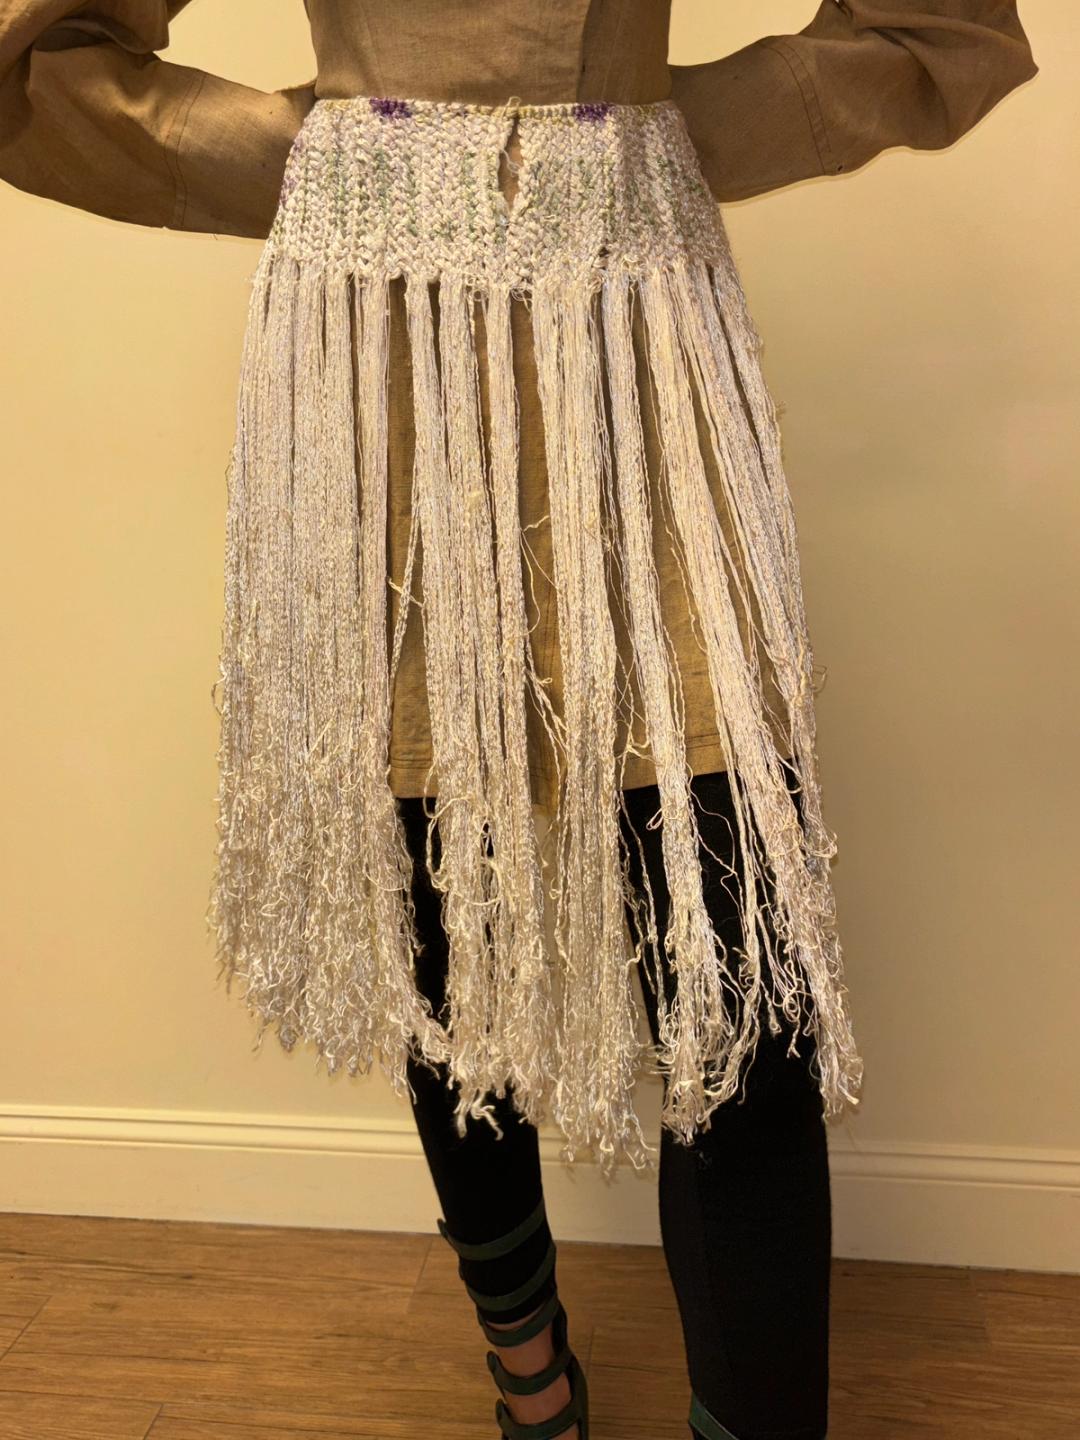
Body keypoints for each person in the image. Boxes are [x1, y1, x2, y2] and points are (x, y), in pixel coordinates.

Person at [0, 4, 1038, 1437]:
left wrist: (636, 144)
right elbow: (37, 60)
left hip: (636, 347)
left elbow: (944, 26)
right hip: (386, 361)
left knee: (741, 976)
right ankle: (529, 1368)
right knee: (444, 902)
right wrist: (339, 158)